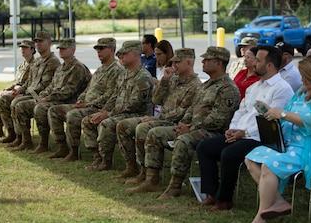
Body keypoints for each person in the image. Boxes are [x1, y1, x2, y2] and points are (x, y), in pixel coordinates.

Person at [244, 54, 311, 223]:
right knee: (251, 159)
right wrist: (273, 113)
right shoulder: (303, 91)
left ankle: (260, 220)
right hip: (292, 143)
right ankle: (277, 201)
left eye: (307, 79)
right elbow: (288, 112)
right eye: (303, 78)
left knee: (268, 166)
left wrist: (283, 114)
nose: (303, 82)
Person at [135, 46, 240, 199]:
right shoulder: (207, 85)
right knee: (154, 133)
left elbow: (218, 120)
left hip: (212, 132)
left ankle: (175, 185)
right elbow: (191, 109)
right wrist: (182, 125)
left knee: (184, 140)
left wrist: (190, 128)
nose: (203, 61)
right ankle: (152, 179)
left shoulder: (227, 88)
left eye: (208, 59)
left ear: (219, 63)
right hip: (193, 127)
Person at [197, 46, 294, 212]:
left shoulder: (281, 89)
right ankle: (212, 192)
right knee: (205, 147)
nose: (253, 63)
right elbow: (241, 111)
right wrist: (233, 129)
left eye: (258, 60)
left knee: (229, 154)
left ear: (269, 65)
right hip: (242, 134)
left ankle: (224, 199)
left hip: (262, 138)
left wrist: (245, 133)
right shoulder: (255, 87)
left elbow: (272, 122)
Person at [114, 48, 201, 183]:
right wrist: (165, 81)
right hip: (162, 119)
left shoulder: (195, 86)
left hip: (176, 123)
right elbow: (156, 100)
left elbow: (182, 112)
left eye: (178, 62)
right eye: (173, 62)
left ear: (189, 63)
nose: (174, 65)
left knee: (144, 128)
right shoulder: (173, 80)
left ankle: (151, 177)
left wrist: (158, 118)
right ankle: (135, 168)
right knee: (123, 125)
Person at [46, 38, 124, 162]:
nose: (99, 51)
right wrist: (81, 99)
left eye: (102, 48)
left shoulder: (116, 70)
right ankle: (63, 147)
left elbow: (110, 95)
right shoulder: (100, 70)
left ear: (112, 50)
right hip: (87, 105)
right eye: (97, 49)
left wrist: (87, 104)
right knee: (54, 110)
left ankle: (85, 153)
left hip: (98, 108)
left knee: (73, 115)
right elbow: (88, 89)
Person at [81, 40, 154, 171]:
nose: (120, 57)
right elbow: (115, 95)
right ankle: (98, 158)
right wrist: (104, 110)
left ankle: (119, 164)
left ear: (136, 54)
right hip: (120, 113)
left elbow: (133, 104)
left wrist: (108, 114)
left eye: (124, 54)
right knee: (89, 120)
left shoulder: (143, 76)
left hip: (138, 114)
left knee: (107, 123)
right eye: (120, 55)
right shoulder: (124, 74)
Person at [13, 38, 91, 153]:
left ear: (72, 50)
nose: (61, 51)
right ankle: (26, 140)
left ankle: (52, 145)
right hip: (55, 99)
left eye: (64, 49)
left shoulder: (77, 67)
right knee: (22, 106)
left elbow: (68, 91)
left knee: (41, 108)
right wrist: (40, 97)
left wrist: (46, 99)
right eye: (60, 48)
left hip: (70, 101)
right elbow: (51, 86)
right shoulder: (61, 67)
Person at [2, 31, 61, 150]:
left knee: (18, 104)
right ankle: (19, 137)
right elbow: (29, 81)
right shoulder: (37, 61)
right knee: (8, 100)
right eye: (36, 41)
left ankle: (27, 141)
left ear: (49, 43)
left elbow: (45, 84)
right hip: (31, 93)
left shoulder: (52, 61)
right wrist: (20, 91)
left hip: (41, 95)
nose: (37, 43)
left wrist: (25, 93)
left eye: (41, 41)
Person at [0, 40, 34, 141]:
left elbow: (29, 83)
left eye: (25, 48)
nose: (22, 50)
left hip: (23, 92)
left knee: (1, 100)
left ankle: (11, 132)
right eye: (21, 48)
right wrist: (6, 89)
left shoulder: (34, 65)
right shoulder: (22, 65)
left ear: (32, 50)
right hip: (16, 89)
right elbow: (17, 81)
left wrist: (15, 92)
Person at [153, 40, 174, 116]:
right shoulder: (159, 67)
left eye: (159, 54)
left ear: (167, 53)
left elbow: (172, 87)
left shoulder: (172, 69)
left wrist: (158, 82)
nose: (157, 57)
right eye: (155, 54)